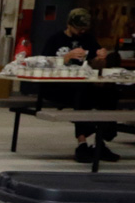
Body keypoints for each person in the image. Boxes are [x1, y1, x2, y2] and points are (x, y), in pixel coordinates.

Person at [38, 8, 121, 163]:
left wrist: (101, 57)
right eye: (78, 28)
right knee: (83, 94)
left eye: (84, 29)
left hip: (84, 83)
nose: (81, 32)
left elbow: (96, 64)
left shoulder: (88, 39)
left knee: (110, 94)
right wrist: (66, 58)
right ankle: (82, 143)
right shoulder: (55, 40)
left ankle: (101, 139)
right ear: (69, 24)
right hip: (59, 86)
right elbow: (43, 63)